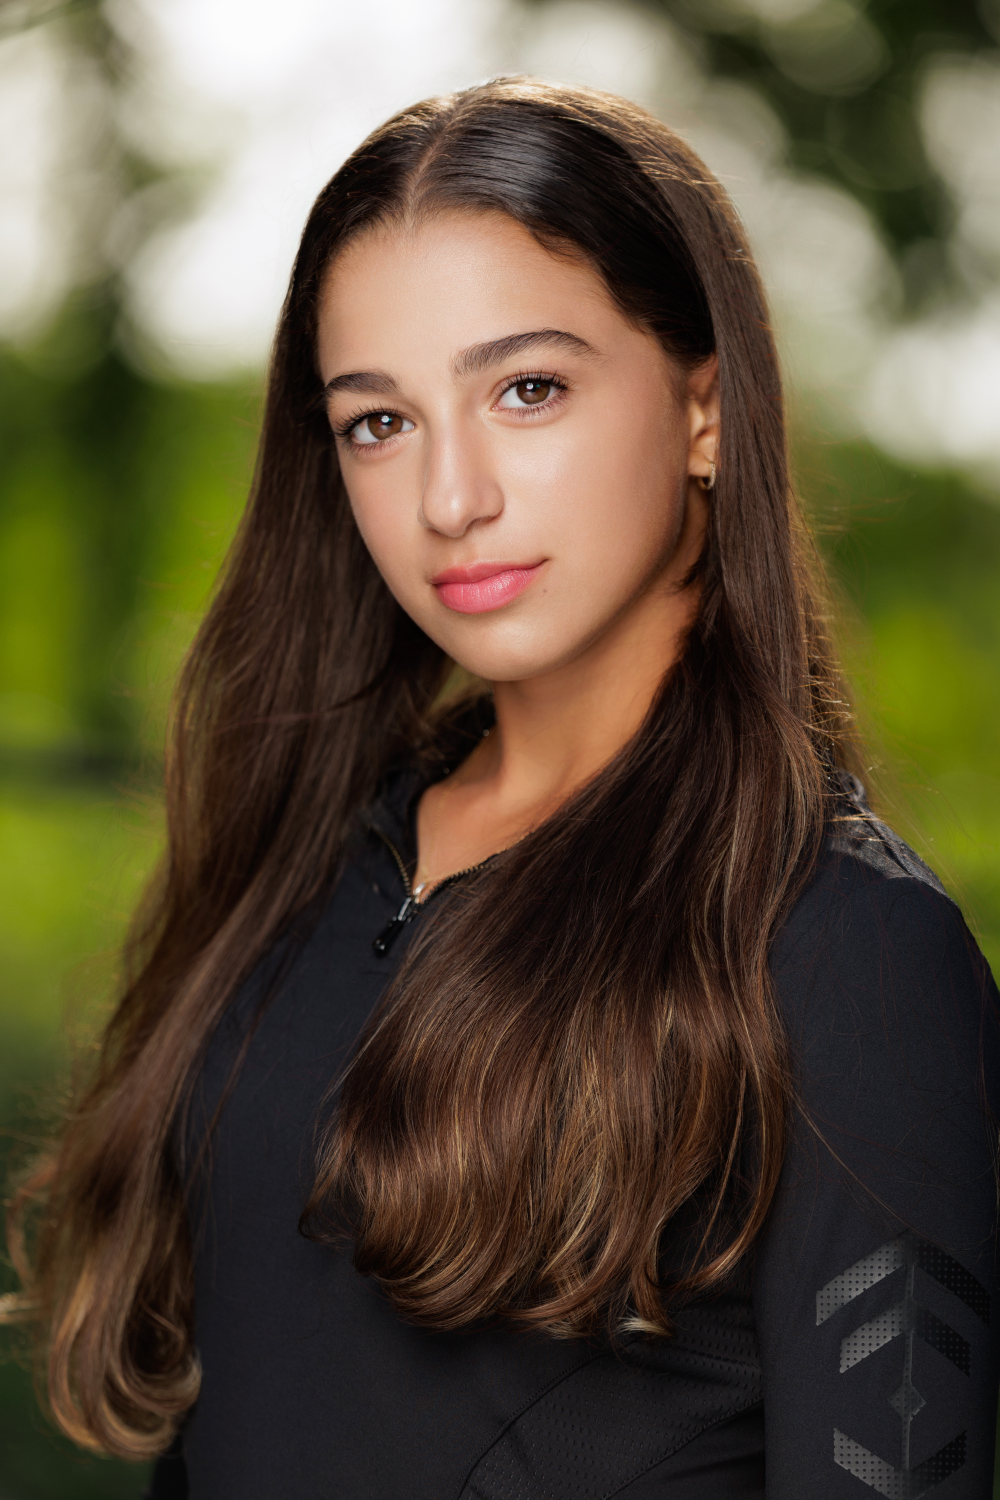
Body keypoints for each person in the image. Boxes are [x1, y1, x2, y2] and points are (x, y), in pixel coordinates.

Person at [4, 78, 998, 1499]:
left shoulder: (845, 950)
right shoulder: (307, 865)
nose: (449, 497)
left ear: (705, 409)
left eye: (527, 389)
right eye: (378, 422)